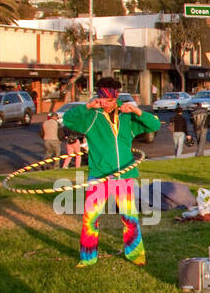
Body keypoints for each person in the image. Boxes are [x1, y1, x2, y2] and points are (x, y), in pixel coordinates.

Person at [60, 76, 161, 267]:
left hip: (124, 176)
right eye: (104, 99)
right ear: (98, 97)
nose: (107, 104)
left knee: (129, 219)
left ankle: (136, 256)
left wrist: (138, 111)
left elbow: (154, 125)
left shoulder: (127, 116)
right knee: (90, 219)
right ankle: (88, 258)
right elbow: (67, 120)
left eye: (111, 100)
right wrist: (87, 107)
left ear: (117, 98)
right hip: (99, 176)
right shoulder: (91, 117)